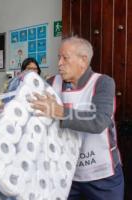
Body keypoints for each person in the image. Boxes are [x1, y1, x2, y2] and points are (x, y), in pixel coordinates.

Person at [31, 36, 124, 200]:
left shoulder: (102, 83)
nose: (59, 63)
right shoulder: (52, 83)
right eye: (58, 57)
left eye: (65, 58)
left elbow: (98, 121)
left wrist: (59, 111)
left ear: (83, 60)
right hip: (66, 174)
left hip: (101, 175)